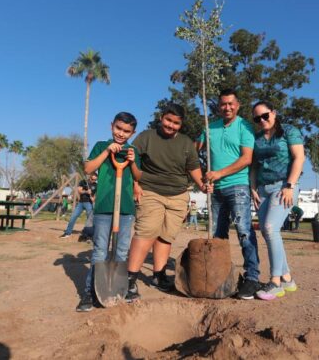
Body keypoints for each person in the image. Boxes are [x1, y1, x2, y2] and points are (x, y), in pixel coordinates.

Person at [125, 103, 208, 302]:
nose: (171, 125)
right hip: (150, 191)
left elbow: (193, 167)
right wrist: (135, 184)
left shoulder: (186, 143)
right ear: (162, 117)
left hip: (178, 195)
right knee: (146, 232)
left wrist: (202, 185)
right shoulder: (146, 137)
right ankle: (130, 279)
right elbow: (131, 160)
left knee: (166, 236)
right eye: (168, 120)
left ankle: (159, 275)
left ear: (181, 124)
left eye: (176, 123)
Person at [196, 89, 260, 300]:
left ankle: (252, 277)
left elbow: (246, 158)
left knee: (244, 231)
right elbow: (193, 151)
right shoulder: (209, 127)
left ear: (238, 105)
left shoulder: (245, 127)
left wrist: (219, 173)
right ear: (218, 106)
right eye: (223, 104)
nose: (227, 107)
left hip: (237, 186)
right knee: (217, 234)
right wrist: (202, 177)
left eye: (231, 103)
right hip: (215, 190)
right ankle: (220, 274)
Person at [76, 112, 141, 312]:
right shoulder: (100, 146)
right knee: (100, 251)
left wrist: (133, 161)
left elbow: (139, 176)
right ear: (111, 125)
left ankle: (120, 288)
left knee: (121, 251)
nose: (121, 133)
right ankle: (89, 292)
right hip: (104, 207)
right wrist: (106, 151)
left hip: (126, 209)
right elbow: (88, 169)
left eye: (126, 131)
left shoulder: (133, 151)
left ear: (132, 133)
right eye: (118, 128)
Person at [249, 101, 305, 300]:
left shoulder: (289, 131)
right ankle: (287, 278)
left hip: (283, 187)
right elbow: (254, 166)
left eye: (265, 115)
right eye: (257, 118)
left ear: (274, 112)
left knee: (270, 228)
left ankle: (275, 282)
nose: (262, 120)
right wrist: (253, 187)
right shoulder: (256, 138)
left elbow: (299, 158)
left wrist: (289, 185)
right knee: (268, 232)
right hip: (262, 190)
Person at [62, 174, 96, 238]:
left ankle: (89, 235)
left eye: (95, 180)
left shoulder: (96, 185)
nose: (93, 181)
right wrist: (86, 192)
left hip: (89, 203)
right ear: (90, 177)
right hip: (81, 203)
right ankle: (68, 233)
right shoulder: (83, 182)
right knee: (73, 217)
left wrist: (93, 199)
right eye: (92, 179)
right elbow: (79, 191)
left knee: (90, 219)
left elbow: (95, 195)